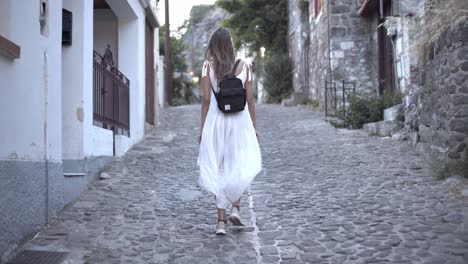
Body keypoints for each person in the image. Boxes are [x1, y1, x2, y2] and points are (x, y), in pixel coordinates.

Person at [198, 28, 262, 235]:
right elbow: (250, 100)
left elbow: (206, 101)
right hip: (240, 121)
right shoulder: (245, 67)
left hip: (216, 121)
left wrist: (202, 129)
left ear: (213, 45)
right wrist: (253, 127)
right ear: (231, 44)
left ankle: (221, 222)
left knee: (218, 167)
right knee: (238, 164)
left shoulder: (207, 67)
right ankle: (236, 208)